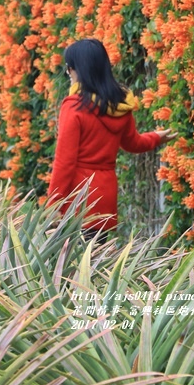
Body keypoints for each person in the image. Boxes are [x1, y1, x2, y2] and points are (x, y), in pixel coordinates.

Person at [47, 38, 176, 242]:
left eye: (68, 68)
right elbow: (133, 143)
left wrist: (53, 206)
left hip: (79, 199)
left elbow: (65, 162)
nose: (68, 73)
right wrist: (155, 138)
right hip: (104, 195)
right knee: (97, 263)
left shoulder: (74, 108)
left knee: (73, 269)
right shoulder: (118, 105)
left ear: (77, 70)